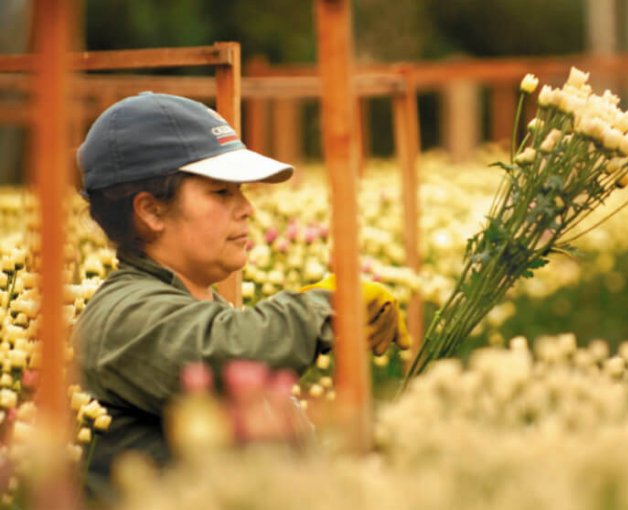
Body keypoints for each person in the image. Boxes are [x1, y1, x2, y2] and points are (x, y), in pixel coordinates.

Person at [72, 92, 410, 500]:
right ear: (151, 211)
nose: (247, 208)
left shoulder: (204, 311)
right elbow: (227, 352)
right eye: (221, 193)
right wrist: (326, 304)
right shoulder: (121, 317)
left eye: (242, 192)